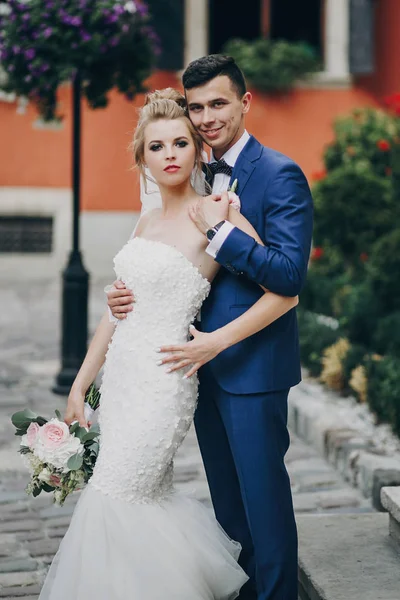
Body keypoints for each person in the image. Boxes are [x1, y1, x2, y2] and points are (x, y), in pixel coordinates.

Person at [39, 94, 299, 600]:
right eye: (157, 146)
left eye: (181, 142)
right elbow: (117, 315)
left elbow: (283, 293)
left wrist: (214, 343)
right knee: (119, 497)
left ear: (197, 150)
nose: (170, 153)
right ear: (144, 159)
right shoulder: (146, 221)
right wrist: (79, 387)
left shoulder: (215, 211)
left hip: (162, 386)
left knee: (118, 492)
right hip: (122, 382)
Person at [107, 55, 314, 600]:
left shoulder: (279, 174)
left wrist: (223, 234)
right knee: (228, 507)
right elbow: (168, 253)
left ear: (245, 102)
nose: (205, 117)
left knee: (264, 503)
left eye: (218, 103)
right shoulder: (190, 166)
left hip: (252, 366)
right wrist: (126, 291)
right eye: (196, 106)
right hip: (197, 371)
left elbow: (290, 276)